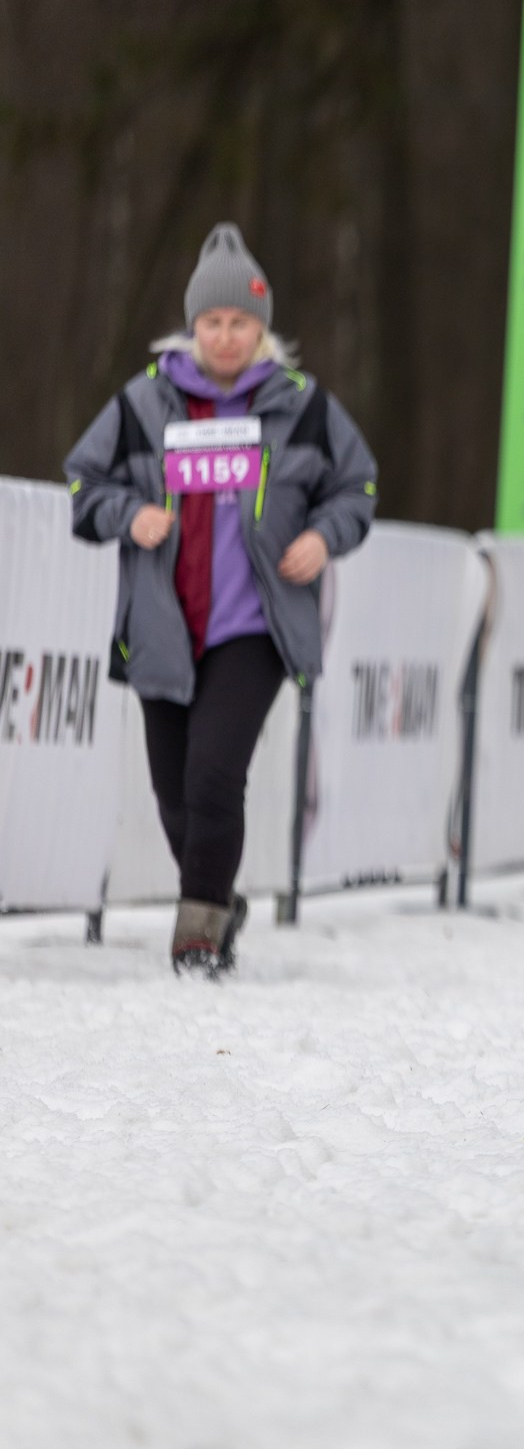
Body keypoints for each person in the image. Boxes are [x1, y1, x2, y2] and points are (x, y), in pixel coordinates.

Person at [64, 222, 377, 975]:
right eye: (214, 321)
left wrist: (325, 536)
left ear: (262, 329)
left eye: (241, 322)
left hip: (255, 625)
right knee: (176, 796)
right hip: (163, 623)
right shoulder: (144, 403)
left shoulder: (303, 406)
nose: (227, 336)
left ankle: (197, 935)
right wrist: (128, 515)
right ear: (192, 325)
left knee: (213, 773)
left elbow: (357, 485)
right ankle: (218, 896)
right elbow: (82, 482)